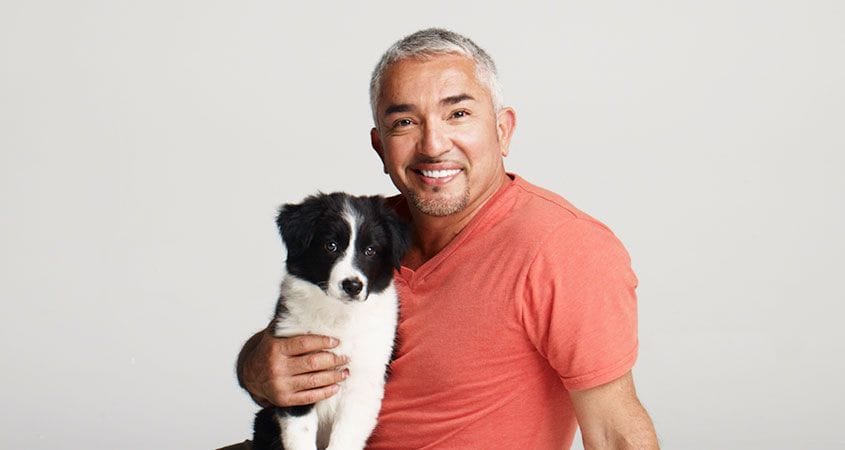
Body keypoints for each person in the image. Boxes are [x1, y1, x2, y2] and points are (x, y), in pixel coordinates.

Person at [233, 28, 658, 449]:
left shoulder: (564, 248)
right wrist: (255, 366)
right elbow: (287, 347)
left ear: (503, 130)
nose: (433, 145)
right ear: (380, 147)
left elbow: (615, 432)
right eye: (405, 122)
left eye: (458, 114)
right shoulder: (367, 231)